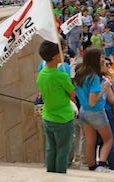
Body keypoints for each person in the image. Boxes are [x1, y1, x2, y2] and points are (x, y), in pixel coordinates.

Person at [36, 41, 76, 173]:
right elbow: (72, 94)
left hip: (47, 117)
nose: (62, 54)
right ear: (55, 57)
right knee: (63, 150)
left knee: (50, 148)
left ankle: (51, 175)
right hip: (63, 118)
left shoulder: (41, 74)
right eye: (60, 52)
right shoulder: (62, 76)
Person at [74, 48, 114, 172]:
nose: (103, 59)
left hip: (83, 112)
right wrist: (104, 87)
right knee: (108, 139)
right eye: (101, 57)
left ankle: (92, 166)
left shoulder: (80, 73)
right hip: (96, 112)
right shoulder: (93, 77)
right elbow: (93, 101)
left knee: (90, 141)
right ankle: (101, 164)